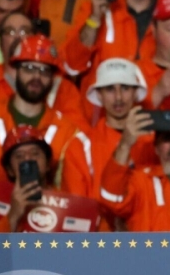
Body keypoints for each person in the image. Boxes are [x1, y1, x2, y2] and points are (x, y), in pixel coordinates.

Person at [0, 34, 86, 198]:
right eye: (29, 68)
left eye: (44, 71)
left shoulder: (69, 133)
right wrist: (5, 198)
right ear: (15, 71)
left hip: (46, 219)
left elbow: (72, 194)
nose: (37, 77)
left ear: (53, 78)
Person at [100, 95, 170, 232]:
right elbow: (111, 197)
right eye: (167, 138)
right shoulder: (144, 182)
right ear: (156, 148)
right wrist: (125, 143)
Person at [62, 58, 150, 227]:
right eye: (110, 89)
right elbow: (77, 215)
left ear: (135, 93)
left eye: (125, 88)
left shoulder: (154, 142)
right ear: (99, 95)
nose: (118, 97)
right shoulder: (80, 146)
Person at [0, 125, 72, 232]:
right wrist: (13, 216)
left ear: (48, 164)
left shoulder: (68, 203)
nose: (28, 159)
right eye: (19, 156)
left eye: (35, 153)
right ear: (10, 170)